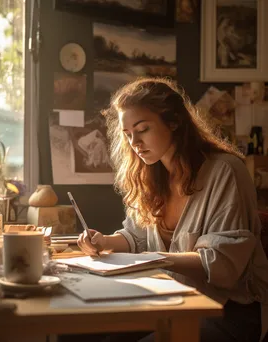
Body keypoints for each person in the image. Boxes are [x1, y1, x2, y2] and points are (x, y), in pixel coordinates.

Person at [62, 78, 268, 342]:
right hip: (172, 301)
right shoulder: (149, 176)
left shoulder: (224, 172)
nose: (134, 142)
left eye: (143, 129)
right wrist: (104, 241)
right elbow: (136, 238)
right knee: (103, 336)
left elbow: (223, 264)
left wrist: (155, 259)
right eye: (127, 134)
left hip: (229, 312)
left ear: (174, 122)